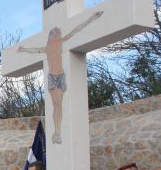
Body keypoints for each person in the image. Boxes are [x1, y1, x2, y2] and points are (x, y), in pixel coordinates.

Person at [17, 11, 103, 144]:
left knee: (59, 105)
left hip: (60, 76)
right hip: (52, 77)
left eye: (58, 32)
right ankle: (56, 132)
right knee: (56, 105)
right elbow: (34, 50)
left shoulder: (61, 42)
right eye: (55, 31)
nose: (57, 33)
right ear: (51, 34)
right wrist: (23, 50)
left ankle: (58, 132)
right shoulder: (46, 47)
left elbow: (76, 30)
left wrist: (92, 18)